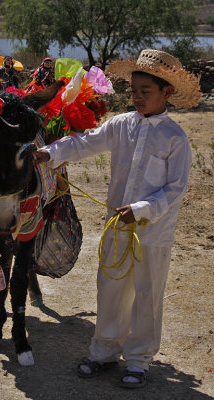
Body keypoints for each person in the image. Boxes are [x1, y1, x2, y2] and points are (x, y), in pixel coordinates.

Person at [33, 49, 200, 388]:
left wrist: (140, 210)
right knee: (109, 291)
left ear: (166, 93)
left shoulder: (175, 139)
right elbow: (84, 143)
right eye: (134, 90)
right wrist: (50, 153)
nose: (137, 97)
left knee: (147, 296)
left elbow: (174, 189)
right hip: (115, 227)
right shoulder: (121, 125)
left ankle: (138, 360)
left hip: (152, 234)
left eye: (145, 92)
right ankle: (103, 352)